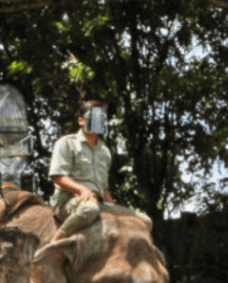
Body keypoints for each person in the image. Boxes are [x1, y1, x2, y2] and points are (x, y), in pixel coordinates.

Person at [43, 99, 150, 246]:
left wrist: (114, 209)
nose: (98, 122)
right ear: (81, 120)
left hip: (98, 202)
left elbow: (104, 188)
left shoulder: (105, 152)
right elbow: (58, 176)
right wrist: (83, 190)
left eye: (101, 119)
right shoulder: (66, 143)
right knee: (90, 209)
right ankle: (55, 242)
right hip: (69, 201)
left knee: (144, 220)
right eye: (93, 119)